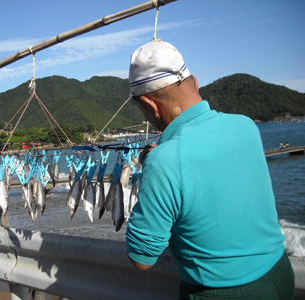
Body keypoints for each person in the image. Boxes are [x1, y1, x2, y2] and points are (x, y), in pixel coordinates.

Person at [125, 41, 295, 299]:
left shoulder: (164, 161)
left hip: (222, 292)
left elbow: (142, 258)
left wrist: (154, 168)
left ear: (150, 104)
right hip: (280, 274)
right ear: (194, 81)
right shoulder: (246, 126)